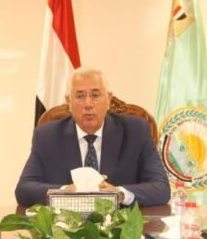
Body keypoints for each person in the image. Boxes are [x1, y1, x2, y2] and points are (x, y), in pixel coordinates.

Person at [15, 67, 170, 206]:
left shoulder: (136, 131)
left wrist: (118, 193)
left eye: (96, 95)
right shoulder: (47, 136)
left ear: (108, 100)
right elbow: (24, 190)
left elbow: (161, 188)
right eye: (80, 96)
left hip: (121, 226)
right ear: (69, 102)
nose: (88, 104)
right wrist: (64, 192)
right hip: (64, 226)